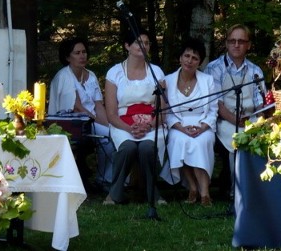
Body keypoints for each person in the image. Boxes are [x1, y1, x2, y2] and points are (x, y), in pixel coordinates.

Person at [103, 29, 167, 206]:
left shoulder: (156, 72)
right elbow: (111, 113)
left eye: (146, 43)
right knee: (128, 148)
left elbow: (163, 108)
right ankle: (115, 194)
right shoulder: (114, 73)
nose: (143, 46)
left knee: (147, 148)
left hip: (151, 124)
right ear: (127, 46)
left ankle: (152, 193)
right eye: (139, 42)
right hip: (123, 123)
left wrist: (149, 126)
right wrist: (129, 128)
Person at [204, 24, 267, 197]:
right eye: (232, 41)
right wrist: (235, 120)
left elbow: (261, 103)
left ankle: (258, 191)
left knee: (262, 141)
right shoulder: (214, 68)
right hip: (225, 120)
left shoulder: (255, 70)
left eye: (241, 41)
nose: (236, 45)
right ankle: (235, 191)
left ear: (249, 45)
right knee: (235, 145)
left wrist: (257, 121)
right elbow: (216, 103)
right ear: (226, 43)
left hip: (251, 119)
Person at [48, 37, 115, 189]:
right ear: (67, 57)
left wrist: (108, 124)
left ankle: (105, 178)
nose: (82, 56)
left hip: (93, 120)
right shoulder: (64, 77)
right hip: (76, 123)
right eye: (77, 53)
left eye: (84, 52)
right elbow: (76, 107)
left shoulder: (90, 75)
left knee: (113, 134)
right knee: (108, 137)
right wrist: (97, 122)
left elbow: (98, 104)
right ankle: (104, 180)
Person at [161, 37, 218, 206]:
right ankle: (193, 187)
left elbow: (213, 109)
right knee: (180, 141)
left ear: (199, 62)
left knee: (200, 143)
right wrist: (181, 128)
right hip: (178, 125)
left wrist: (202, 127)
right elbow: (167, 112)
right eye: (186, 56)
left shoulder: (207, 81)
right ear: (180, 58)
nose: (189, 61)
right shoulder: (168, 80)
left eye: (195, 58)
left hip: (203, 124)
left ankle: (205, 193)